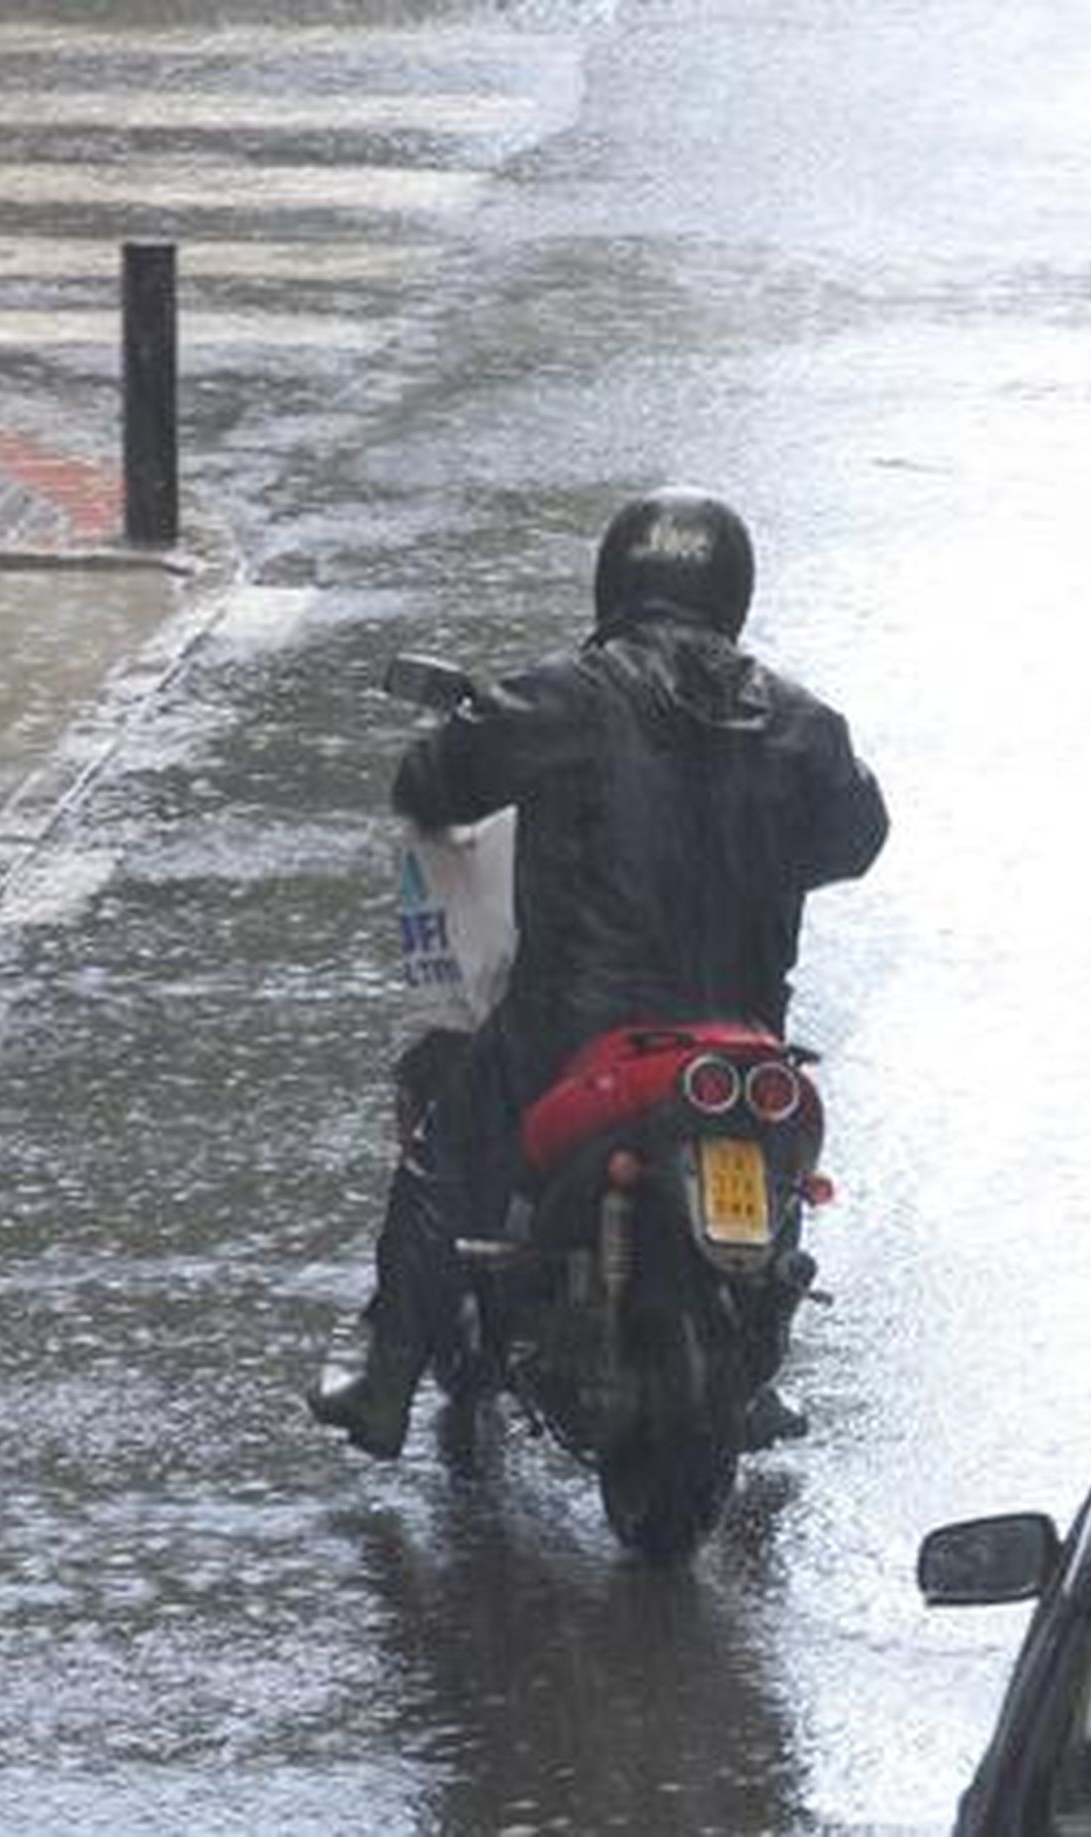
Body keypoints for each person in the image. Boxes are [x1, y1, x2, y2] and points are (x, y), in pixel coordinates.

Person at [309, 488, 889, 1458]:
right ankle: (755, 1377)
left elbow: (432, 780)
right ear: (731, 590)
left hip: (576, 1032)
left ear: (616, 579)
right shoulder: (801, 723)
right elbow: (857, 837)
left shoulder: (568, 695)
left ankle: (383, 1370)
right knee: (784, 1175)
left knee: (449, 1145)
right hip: (741, 1039)